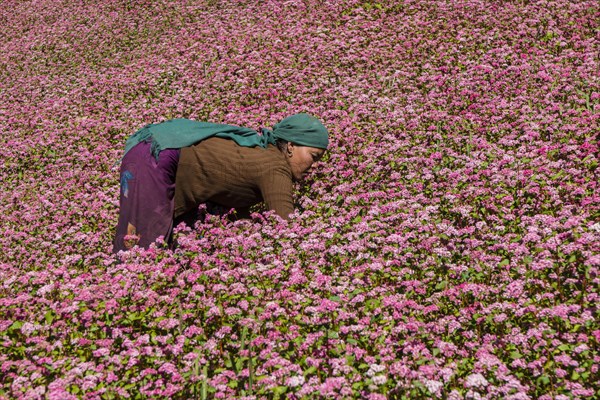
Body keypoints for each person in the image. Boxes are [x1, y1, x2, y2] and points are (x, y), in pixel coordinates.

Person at [113, 113, 329, 253]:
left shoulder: (261, 153)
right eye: (314, 156)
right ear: (290, 147)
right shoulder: (275, 166)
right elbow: (286, 229)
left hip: (150, 150)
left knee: (148, 242)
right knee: (142, 249)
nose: (315, 165)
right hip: (155, 155)